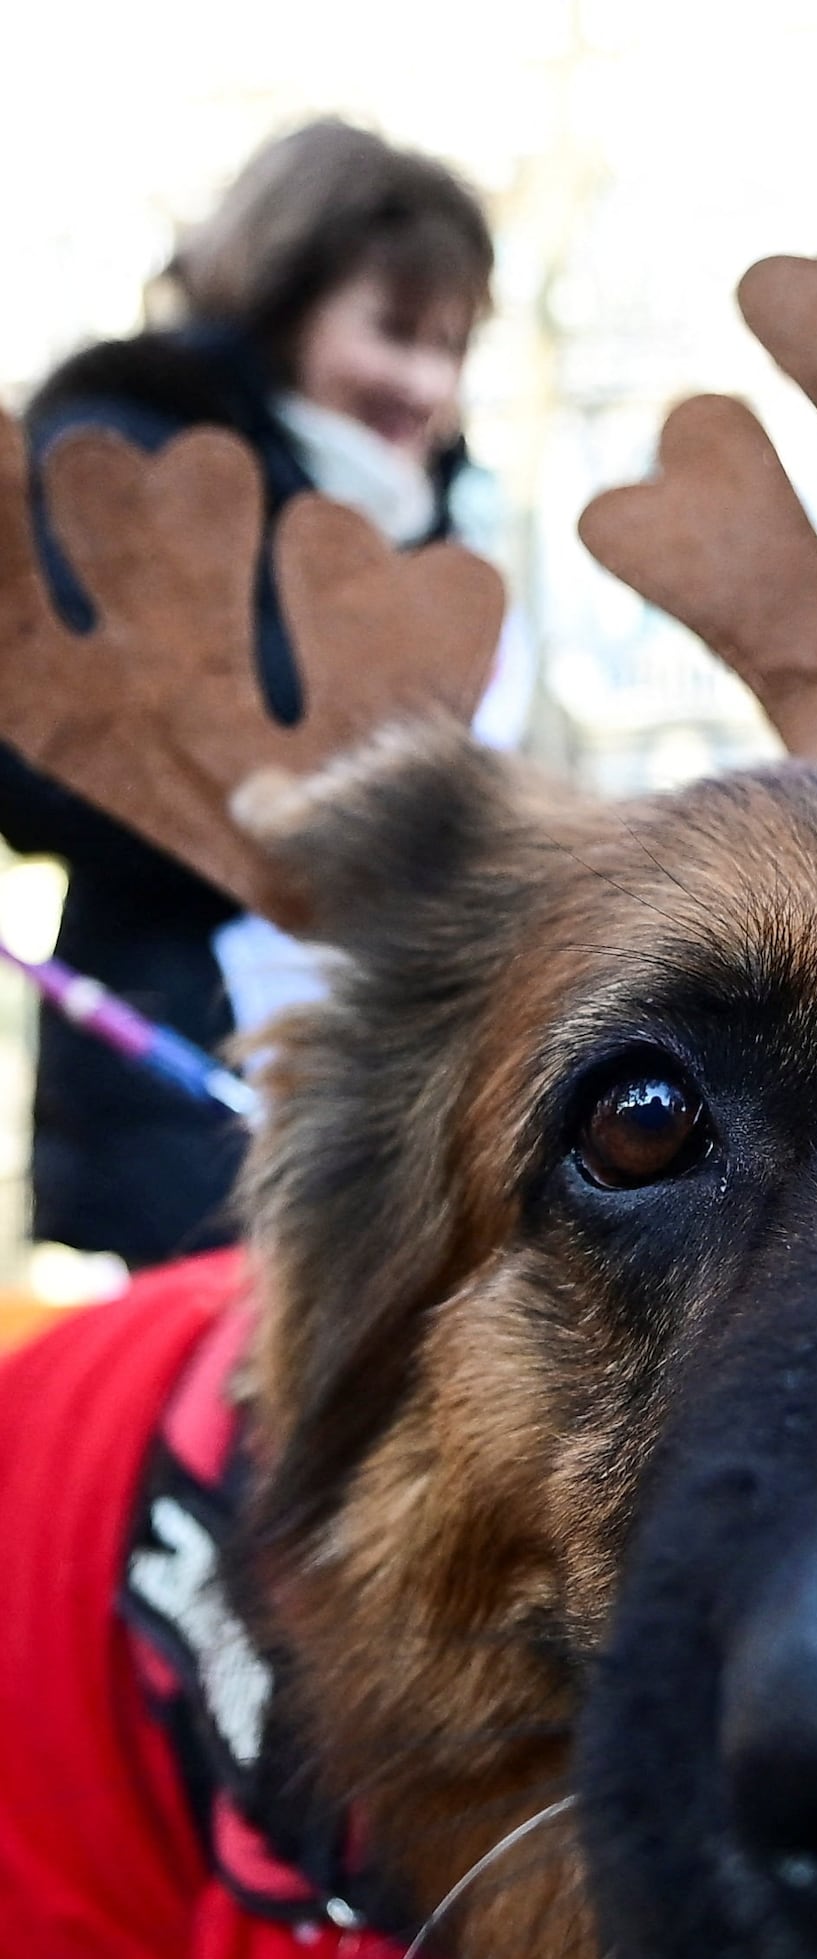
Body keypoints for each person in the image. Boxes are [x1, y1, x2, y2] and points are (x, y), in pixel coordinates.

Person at [0, 119, 497, 1269]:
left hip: (382, 1091)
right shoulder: (129, 465)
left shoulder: (448, 530)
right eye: (393, 333)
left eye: (450, 346)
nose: (424, 383)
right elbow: (35, 765)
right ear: (285, 304)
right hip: (180, 1086)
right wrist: (283, 802)